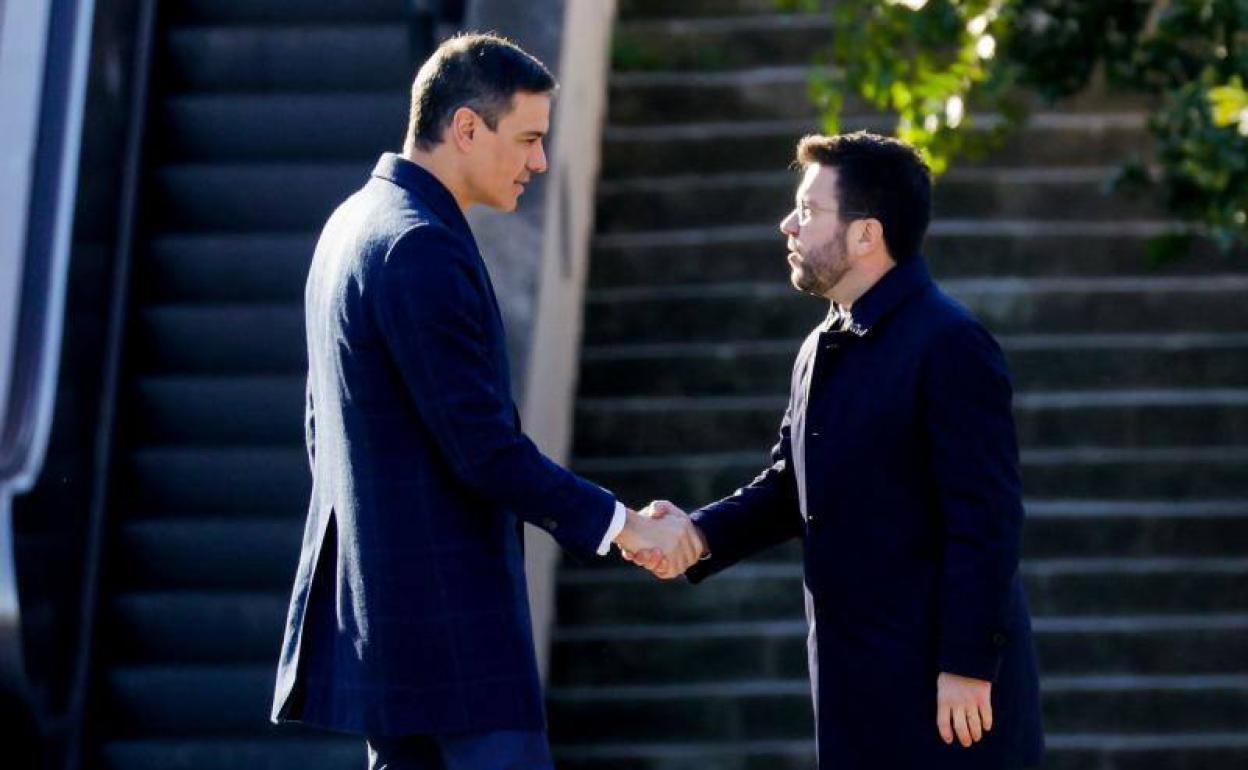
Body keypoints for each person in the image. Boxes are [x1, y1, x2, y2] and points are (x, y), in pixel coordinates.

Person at [270, 33, 703, 770]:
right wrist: (623, 525)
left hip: (392, 641)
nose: (541, 162)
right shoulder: (417, 245)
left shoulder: (351, 224)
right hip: (456, 644)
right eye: (528, 139)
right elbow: (483, 448)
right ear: (466, 128)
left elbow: (323, 430)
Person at [629, 131, 1045, 769]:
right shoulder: (820, 345)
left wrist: (967, 664)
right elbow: (789, 486)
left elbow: (986, 520)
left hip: (948, 699)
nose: (788, 224)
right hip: (854, 688)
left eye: (809, 210)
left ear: (866, 234)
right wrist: (697, 534)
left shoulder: (951, 343)